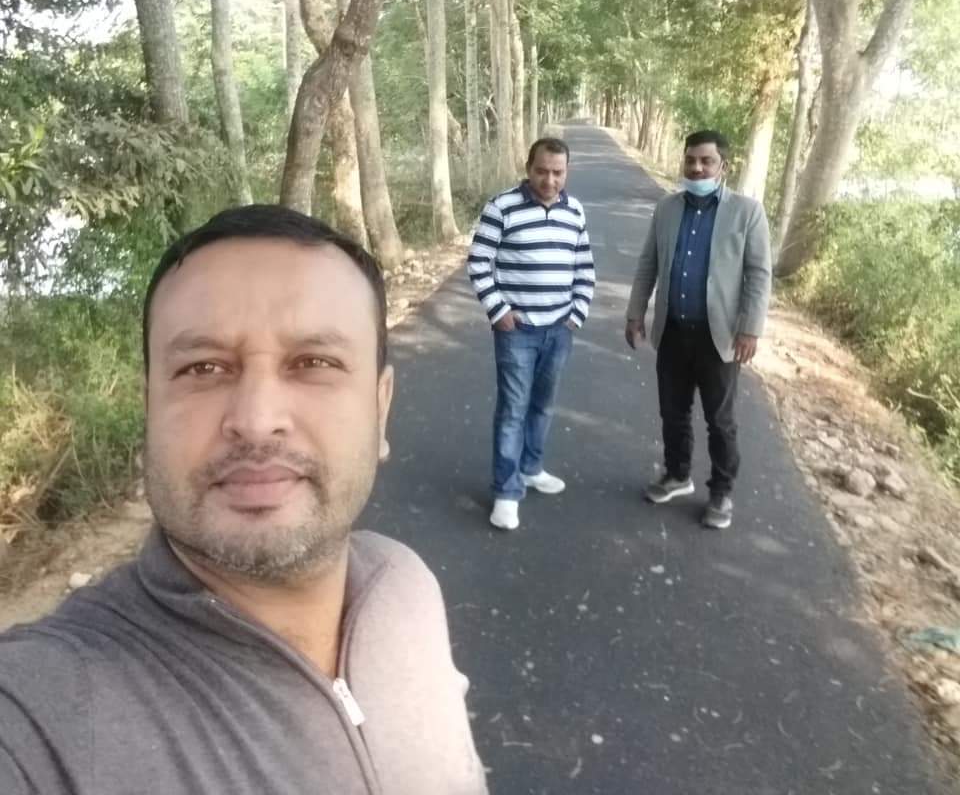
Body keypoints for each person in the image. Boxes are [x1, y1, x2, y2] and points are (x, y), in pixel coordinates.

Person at [0, 205, 488, 795]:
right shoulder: (41, 712)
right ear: (149, 410)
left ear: (380, 408)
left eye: (314, 363)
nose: (256, 421)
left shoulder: (404, 586)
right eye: (203, 368)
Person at [624, 129, 771, 530]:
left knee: (719, 419)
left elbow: (759, 274)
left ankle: (721, 491)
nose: (697, 168)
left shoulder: (747, 212)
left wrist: (750, 329)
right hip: (673, 329)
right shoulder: (667, 208)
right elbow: (649, 263)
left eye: (706, 161)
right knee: (673, 411)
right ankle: (677, 474)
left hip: (718, 336)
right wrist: (635, 313)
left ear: (724, 166)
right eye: (691, 160)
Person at [468, 137, 596, 531]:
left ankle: (531, 467)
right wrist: (499, 311)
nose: (549, 180)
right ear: (528, 168)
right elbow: (479, 261)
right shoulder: (502, 207)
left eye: (558, 172)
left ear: (567, 172)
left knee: (543, 405)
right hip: (517, 332)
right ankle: (506, 492)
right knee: (513, 410)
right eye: (542, 171)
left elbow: (584, 266)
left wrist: (576, 314)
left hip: (559, 330)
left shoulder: (574, 211)